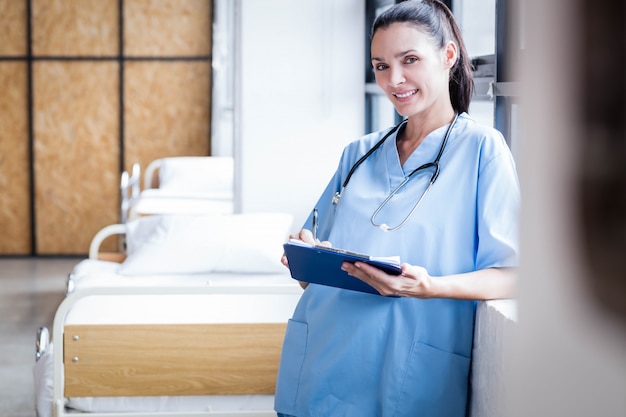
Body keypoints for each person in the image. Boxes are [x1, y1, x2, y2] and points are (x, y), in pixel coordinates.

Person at [275, 0, 520, 416]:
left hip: (407, 374)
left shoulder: (482, 150)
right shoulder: (359, 152)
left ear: (448, 56)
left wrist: (429, 287)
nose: (395, 79)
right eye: (381, 65)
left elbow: (512, 276)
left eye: (410, 60)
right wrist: (307, 254)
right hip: (321, 367)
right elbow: (311, 275)